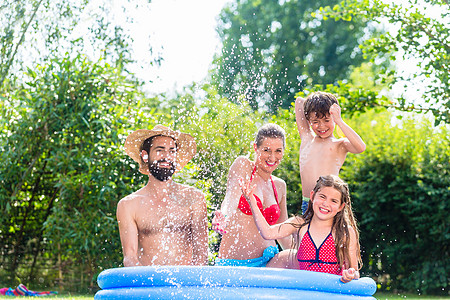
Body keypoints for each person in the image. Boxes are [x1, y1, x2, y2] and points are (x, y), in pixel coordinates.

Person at [241, 174, 362, 283]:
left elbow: (355, 271)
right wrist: (252, 200)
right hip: (304, 291)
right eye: (322, 197)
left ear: (341, 207)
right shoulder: (300, 224)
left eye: (333, 201)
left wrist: (350, 274)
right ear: (312, 196)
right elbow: (267, 233)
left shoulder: (345, 232)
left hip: (330, 292)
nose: (326, 204)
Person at [117, 125, 208, 267]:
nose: (166, 156)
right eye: (160, 150)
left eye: (172, 151)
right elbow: (130, 258)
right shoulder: (129, 205)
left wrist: (190, 285)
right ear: (145, 155)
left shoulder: (194, 198)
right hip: (148, 284)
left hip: (185, 283)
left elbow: (201, 255)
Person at [212, 123, 292, 267]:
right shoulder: (243, 166)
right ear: (256, 147)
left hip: (269, 263)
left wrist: (306, 254)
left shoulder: (280, 186)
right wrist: (223, 217)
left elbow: (283, 232)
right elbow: (231, 198)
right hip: (235, 264)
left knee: (295, 258)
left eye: (278, 151)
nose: (272, 157)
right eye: (266, 150)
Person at [295, 92, 366, 214]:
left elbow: (361, 147)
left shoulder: (339, 144)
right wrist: (316, 102)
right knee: (305, 233)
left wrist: (339, 120)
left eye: (327, 120)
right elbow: (299, 101)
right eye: (316, 121)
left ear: (334, 117)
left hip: (327, 205)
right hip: (307, 204)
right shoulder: (307, 137)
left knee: (330, 234)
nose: (321, 126)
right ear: (309, 120)